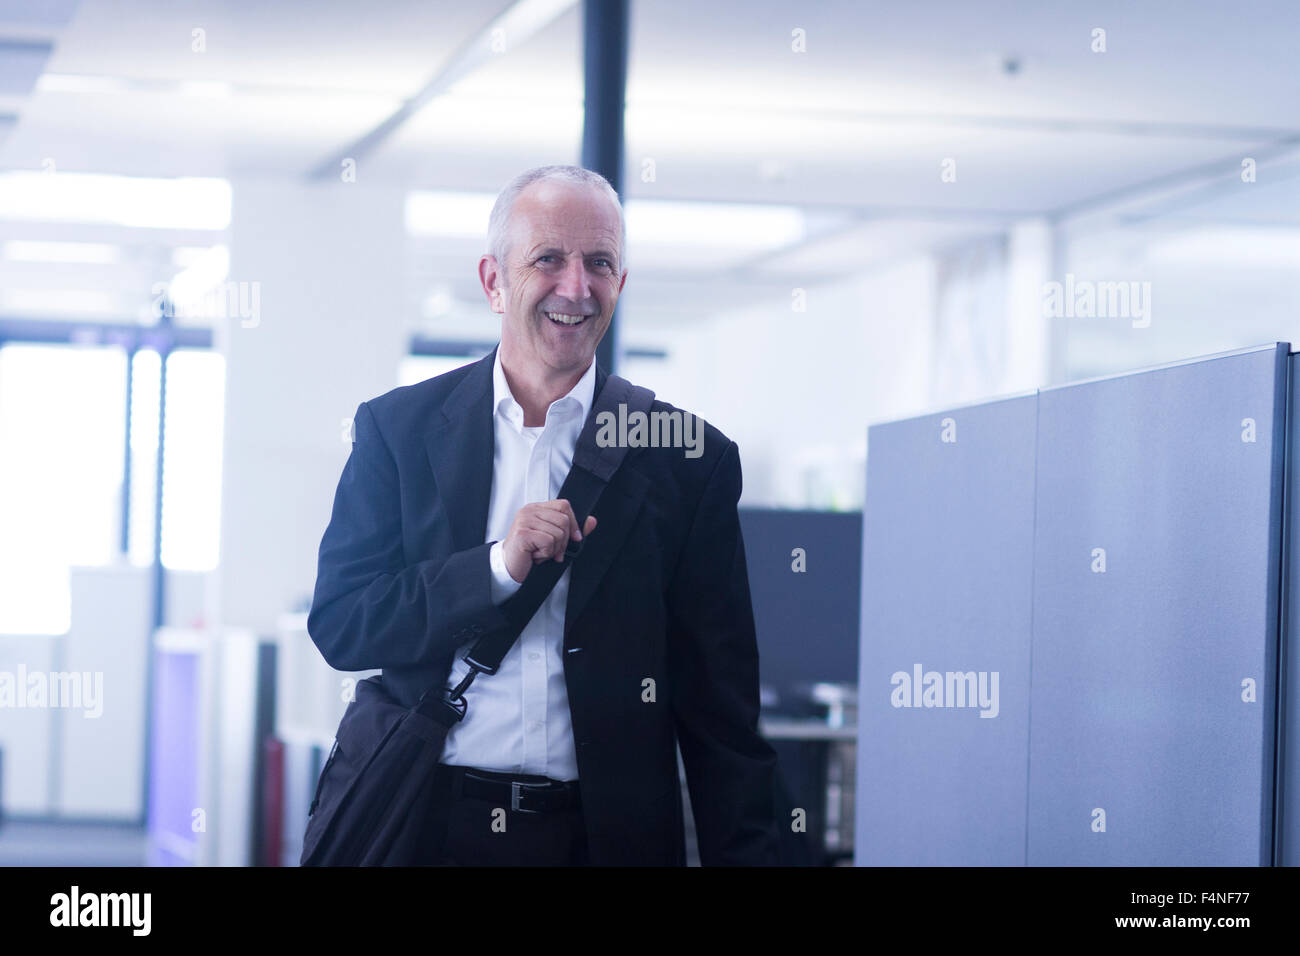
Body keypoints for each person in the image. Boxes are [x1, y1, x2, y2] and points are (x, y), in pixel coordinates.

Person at [306, 164, 780, 865]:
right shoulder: (399, 431)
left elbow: (722, 715)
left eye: (599, 263)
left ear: (620, 283)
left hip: (600, 839)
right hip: (427, 824)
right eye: (548, 259)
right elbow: (344, 624)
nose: (575, 287)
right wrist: (494, 569)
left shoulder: (688, 459)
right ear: (493, 281)